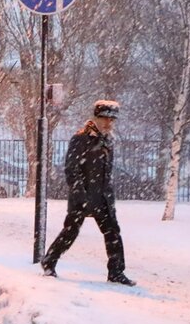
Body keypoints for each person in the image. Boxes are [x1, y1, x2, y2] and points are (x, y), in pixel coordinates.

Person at [41, 100, 136, 286]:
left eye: (112, 120)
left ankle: (116, 272)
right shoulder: (81, 138)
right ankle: (49, 261)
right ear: (96, 118)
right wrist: (79, 194)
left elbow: (106, 172)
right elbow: (71, 168)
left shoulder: (108, 140)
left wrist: (107, 195)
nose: (108, 123)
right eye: (105, 119)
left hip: (102, 197)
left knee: (113, 233)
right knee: (70, 232)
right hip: (83, 196)